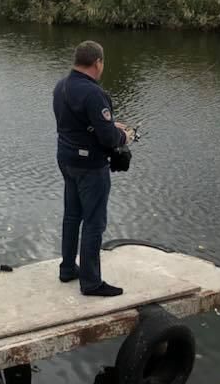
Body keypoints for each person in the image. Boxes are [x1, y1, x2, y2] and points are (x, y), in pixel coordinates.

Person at [52, 40, 134, 296]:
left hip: (66, 160)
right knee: (94, 223)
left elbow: (78, 123)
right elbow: (108, 139)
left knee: (72, 216)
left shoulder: (61, 86)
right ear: (97, 62)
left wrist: (111, 126)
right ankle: (91, 282)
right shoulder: (94, 93)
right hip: (90, 166)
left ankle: (68, 269)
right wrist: (125, 136)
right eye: (103, 63)